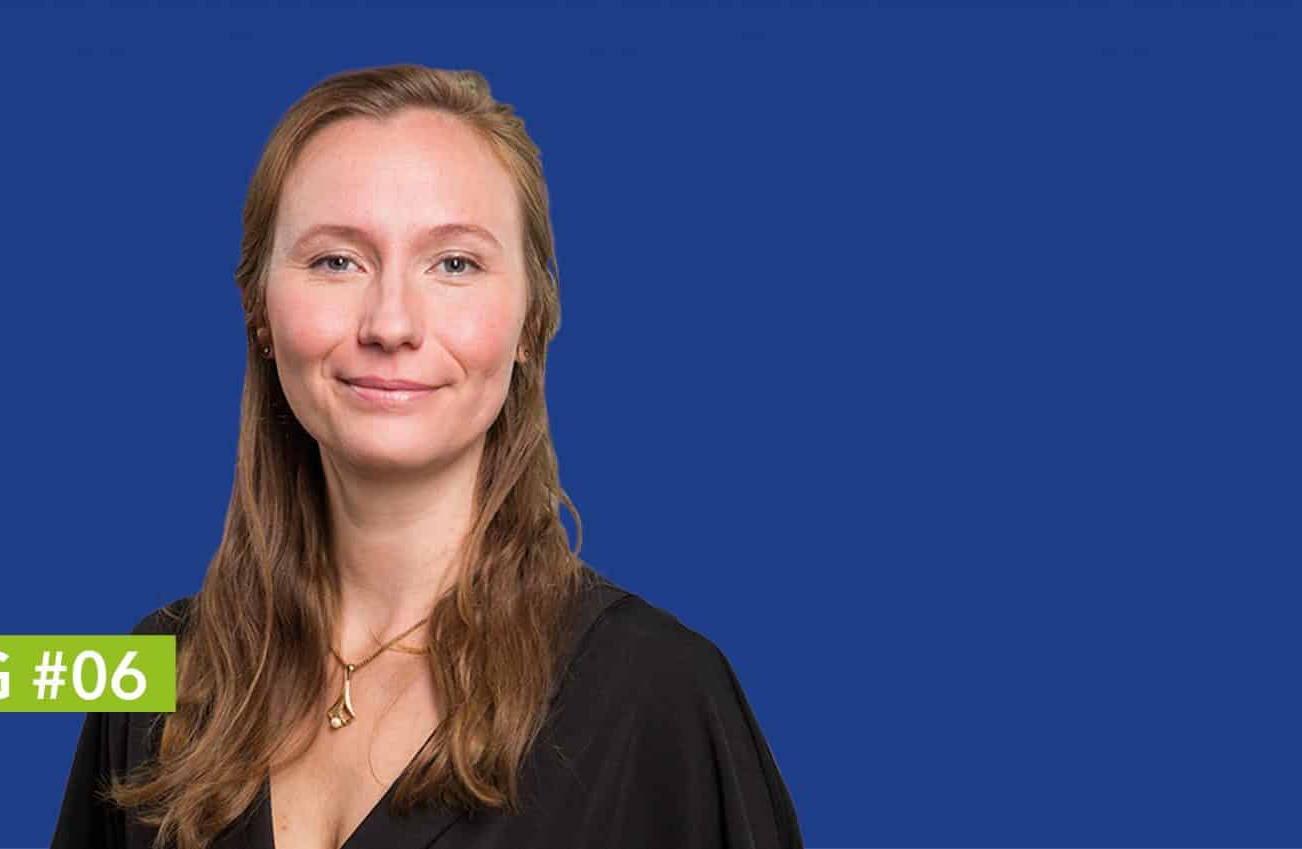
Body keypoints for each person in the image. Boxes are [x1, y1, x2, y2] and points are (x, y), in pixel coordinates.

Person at [52, 64, 798, 849]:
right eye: (337, 260)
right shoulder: (156, 675)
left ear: (531, 322)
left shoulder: (662, 697)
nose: (391, 323)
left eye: (455, 264)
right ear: (260, 309)